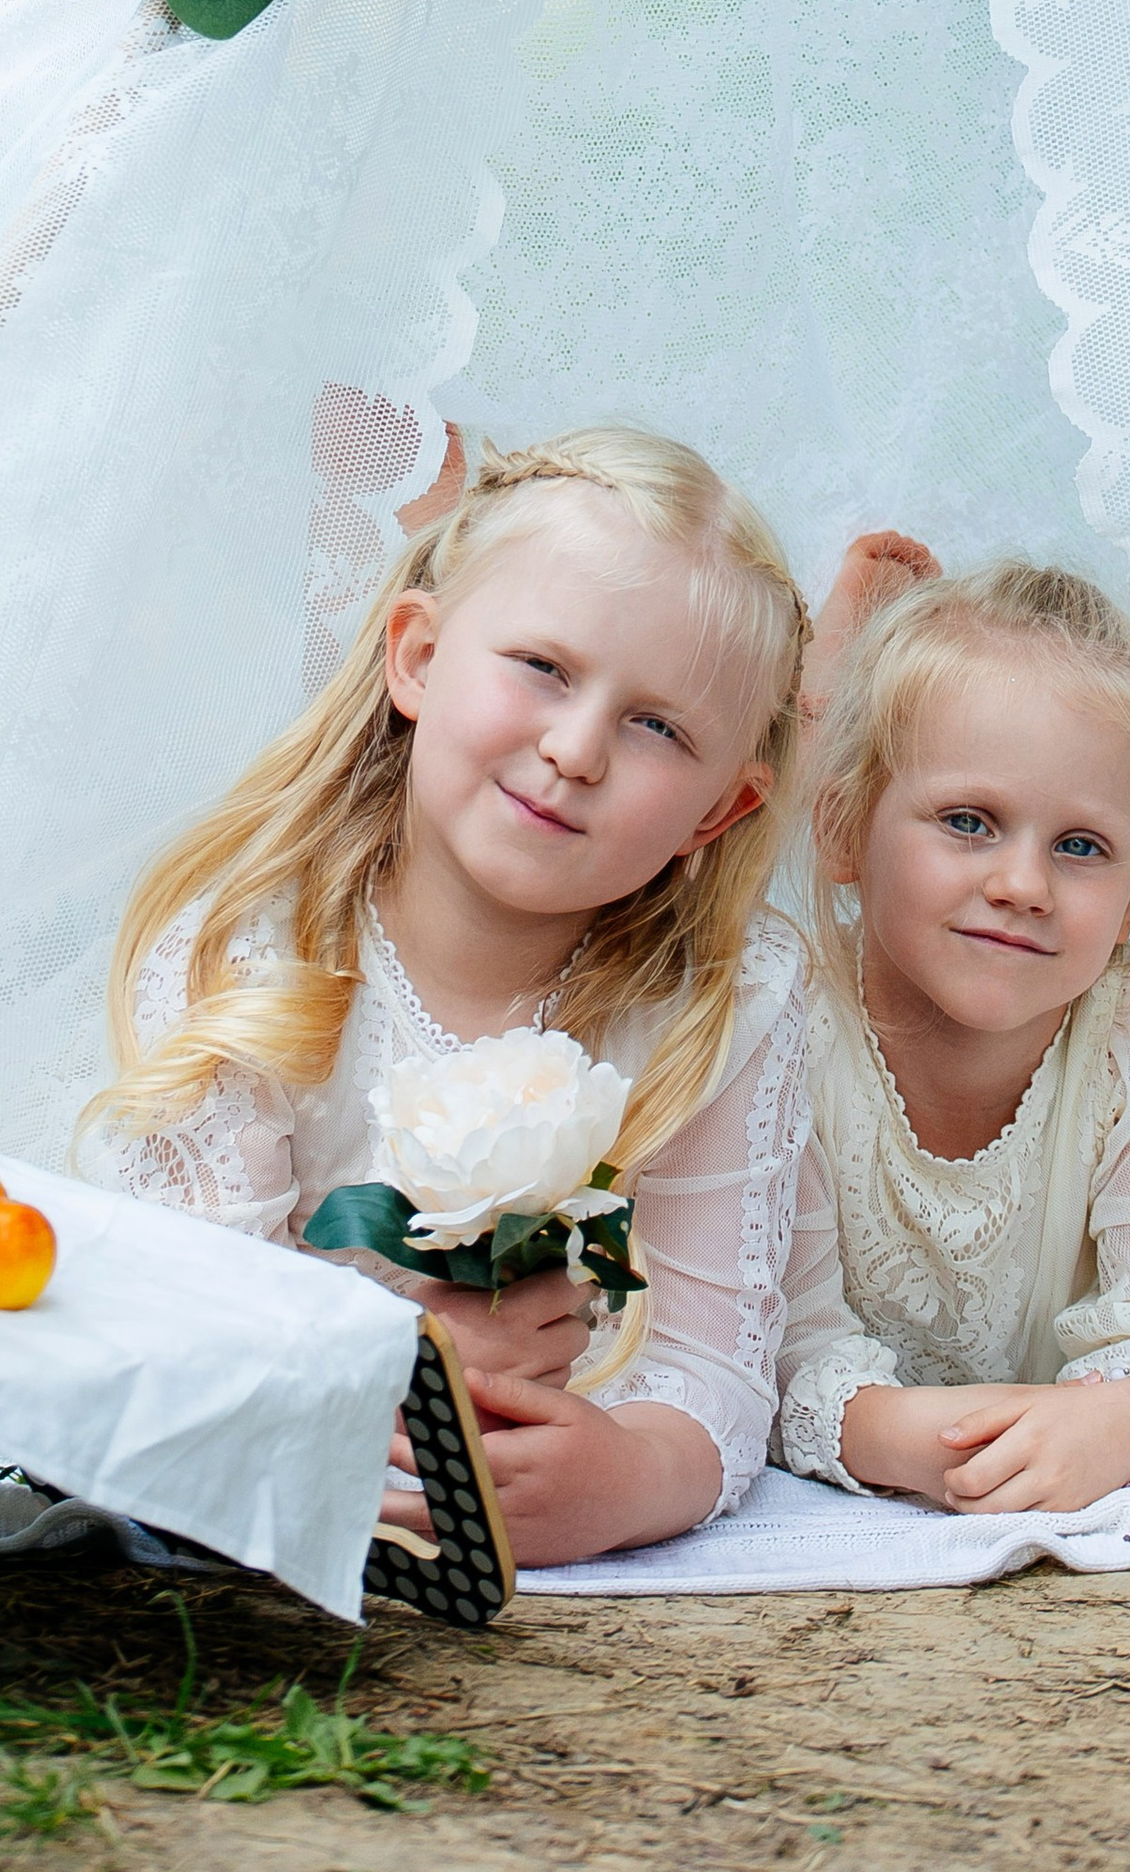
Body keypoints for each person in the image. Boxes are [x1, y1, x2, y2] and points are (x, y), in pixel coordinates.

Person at [78, 426, 810, 1566]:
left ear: (717, 813)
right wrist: (396, 1365)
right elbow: (185, 1326)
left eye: (657, 727)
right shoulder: (250, 952)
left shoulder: (719, 999)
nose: (575, 750)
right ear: (415, 658)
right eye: (544, 669)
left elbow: (716, 1367)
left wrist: (631, 1477)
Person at [777, 542, 1130, 1514]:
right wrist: (913, 1438)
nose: (1022, 886)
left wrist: (1119, 1422)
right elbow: (777, 1345)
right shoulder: (786, 1022)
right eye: (968, 821)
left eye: (1080, 846)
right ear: (841, 829)